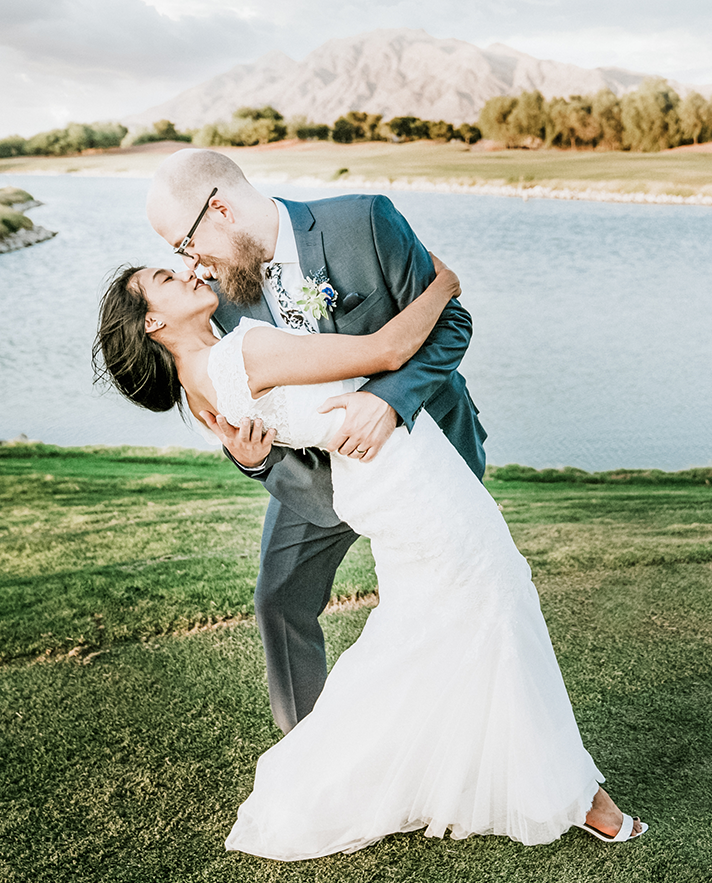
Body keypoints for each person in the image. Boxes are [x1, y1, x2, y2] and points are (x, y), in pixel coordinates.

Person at [93, 256, 647, 856]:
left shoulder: (199, 387)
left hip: (387, 477)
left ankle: (446, 767)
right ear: (153, 324)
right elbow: (385, 352)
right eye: (167, 281)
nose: (186, 272)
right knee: (496, 601)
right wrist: (444, 285)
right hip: (408, 482)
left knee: (444, 623)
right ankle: (575, 795)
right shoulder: (239, 354)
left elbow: (272, 429)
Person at [142, 148, 485, 737]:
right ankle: (311, 753)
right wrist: (248, 459)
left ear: (219, 208)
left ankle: (461, 735)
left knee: (457, 596)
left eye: (185, 245)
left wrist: (389, 401)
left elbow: (453, 321)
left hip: (420, 451)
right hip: (312, 475)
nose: (192, 266)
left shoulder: (365, 220)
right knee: (280, 601)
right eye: (179, 258)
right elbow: (230, 394)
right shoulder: (215, 293)